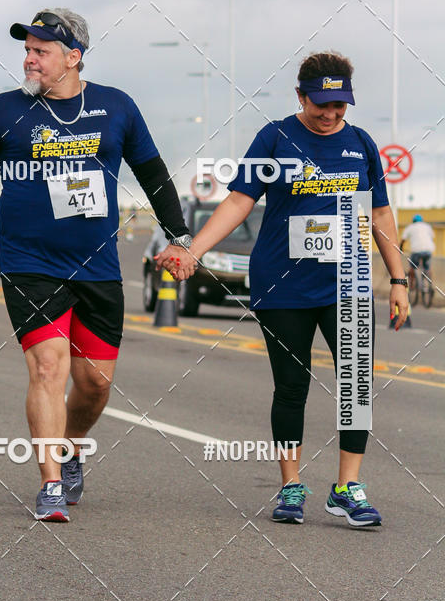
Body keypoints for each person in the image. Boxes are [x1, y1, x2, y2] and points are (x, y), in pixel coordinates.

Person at [0, 8, 194, 521]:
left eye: (41, 51)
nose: (29, 58)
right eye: (27, 49)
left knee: (95, 384)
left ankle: (71, 445)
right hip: (28, 262)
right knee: (47, 367)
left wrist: (180, 238)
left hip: (98, 264)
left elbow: (153, 175)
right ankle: (51, 485)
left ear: (73, 57)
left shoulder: (116, 108)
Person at [157, 51, 409, 527]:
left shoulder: (360, 143)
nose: (331, 115)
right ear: (300, 96)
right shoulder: (276, 138)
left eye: (340, 106)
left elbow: (379, 214)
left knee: (356, 388)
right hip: (283, 283)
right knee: (291, 388)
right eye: (322, 105)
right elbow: (238, 201)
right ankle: (291, 485)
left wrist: (396, 279)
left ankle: (347, 488)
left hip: (349, 284)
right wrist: (194, 250)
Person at [400, 214, 435, 284]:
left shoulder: (410, 227)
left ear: (413, 221)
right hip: (429, 250)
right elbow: (432, 237)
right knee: (427, 267)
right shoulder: (427, 226)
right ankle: (429, 285)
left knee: (413, 267)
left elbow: (403, 239)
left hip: (416, 250)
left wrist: (401, 248)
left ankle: (411, 284)